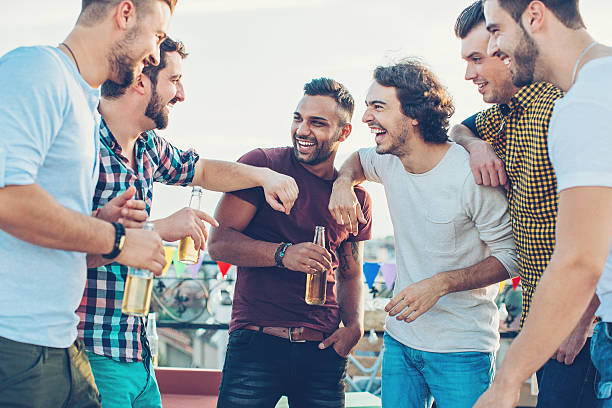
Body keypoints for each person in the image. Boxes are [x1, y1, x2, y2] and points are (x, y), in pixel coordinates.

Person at [78, 37, 299, 407]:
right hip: (94, 353)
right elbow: (58, 242)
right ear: (140, 82)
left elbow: (203, 170)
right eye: (174, 80)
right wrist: (160, 230)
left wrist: (264, 176)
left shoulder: (146, 146)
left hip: (139, 352)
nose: (181, 94)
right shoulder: (82, 144)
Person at [0, 1, 177, 406]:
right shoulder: (36, 70)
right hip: (15, 345)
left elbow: (47, 231)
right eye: (158, 35)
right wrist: (116, 239)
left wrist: (98, 224)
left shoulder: (84, 103)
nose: (154, 53)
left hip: (63, 346)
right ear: (125, 13)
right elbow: (7, 198)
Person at [328, 60, 518, 408]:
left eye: (378, 107)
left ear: (414, 115)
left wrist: (441, 283)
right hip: (400, 342)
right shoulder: (388, 159)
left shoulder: (469, 175)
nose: (366, 117)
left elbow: (512, 256)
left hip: (462, 349)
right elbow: (356, 159)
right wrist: (343, 181)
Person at [451, 2, 599, 407]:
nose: (469, 73)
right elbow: (458, 128)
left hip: (580, 325)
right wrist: (476, 145)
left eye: (480, 56)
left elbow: (597, 239)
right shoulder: (501, 115)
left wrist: (579, 320)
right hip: (546, 324)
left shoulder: (566, 105)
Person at [207, 77, 372, 408]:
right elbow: (219, 243)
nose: (302, 130)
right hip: (257, 343)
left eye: (317, 123)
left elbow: (351, 273)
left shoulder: (356, 199)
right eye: (298, 118)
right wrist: (282, 254)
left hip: (324, 351)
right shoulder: (263, 166)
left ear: (344, 132)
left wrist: (355, 326)